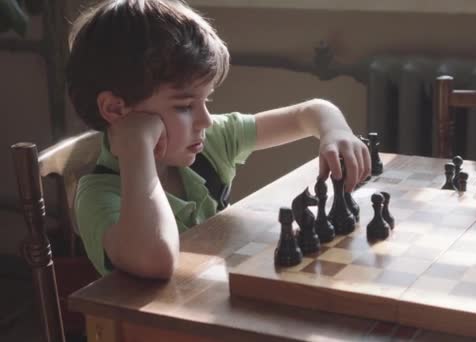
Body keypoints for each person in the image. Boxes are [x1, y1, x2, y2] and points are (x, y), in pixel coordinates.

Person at [68, 0, 371, 279]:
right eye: (185, 106)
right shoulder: (97, 197)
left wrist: (335, 130)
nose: (206, 120)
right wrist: (137, 147)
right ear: (116, 110)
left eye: (206, 101)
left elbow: (310, 112)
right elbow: (156, 259)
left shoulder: (210, 143)